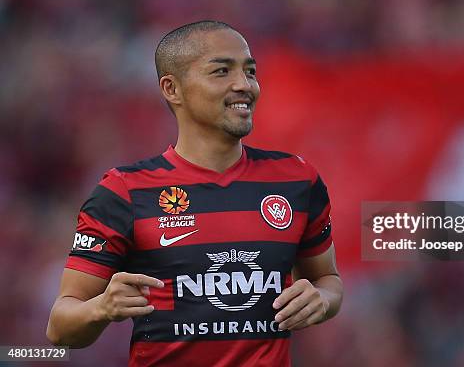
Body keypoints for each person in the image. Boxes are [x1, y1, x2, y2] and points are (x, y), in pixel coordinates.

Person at [46, 20, 343, 366]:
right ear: (172, 89)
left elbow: (328, 279)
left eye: (250, 71)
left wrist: (321, 298)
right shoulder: (123, 192)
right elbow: (60, 326)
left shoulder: (296, 180)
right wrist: (101, 307)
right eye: (221, 71)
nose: (243, 85)